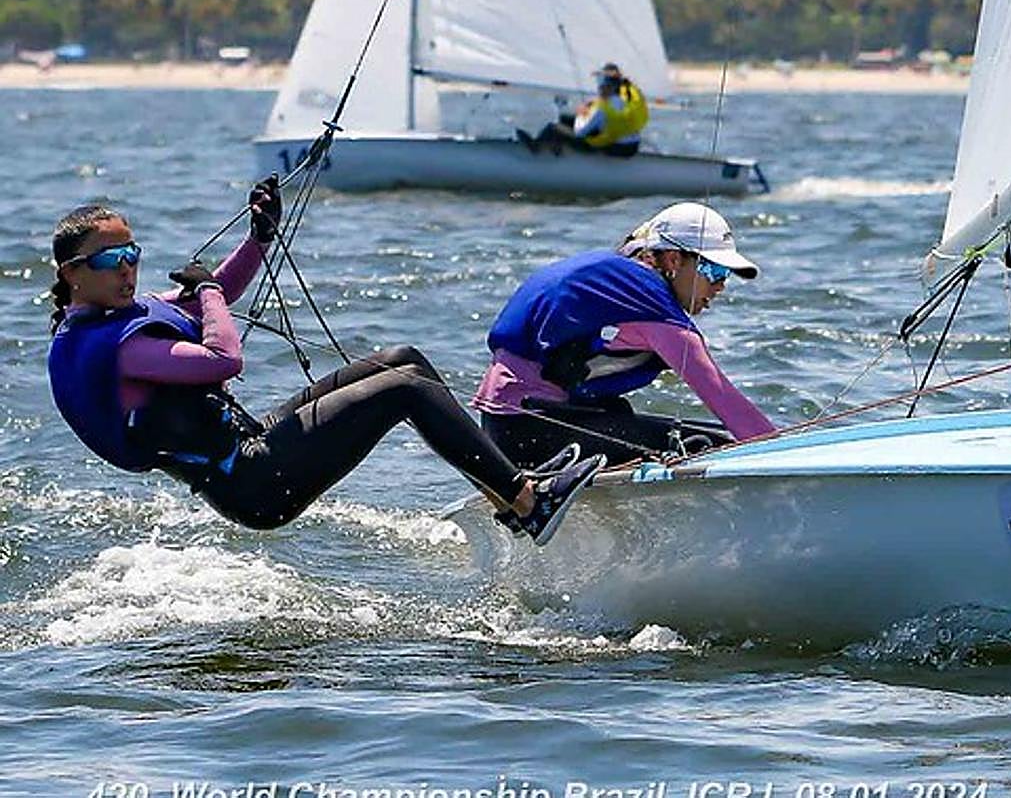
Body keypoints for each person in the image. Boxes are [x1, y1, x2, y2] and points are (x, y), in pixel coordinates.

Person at [45, 178, 604, 545]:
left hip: (254, 446)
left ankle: (507, 492)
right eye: (113, 259)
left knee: (401, 360)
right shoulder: (124, 349)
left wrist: (257, 240)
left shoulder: (116, 318)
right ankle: (531, 503)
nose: (128, 270)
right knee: (403, 389)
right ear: (73, 272)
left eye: (133, 255)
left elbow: (217, 295)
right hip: (254, 482)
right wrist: (210, 292)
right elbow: (222, 358)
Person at [472, 202, 776, 467]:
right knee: (705, 445)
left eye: (725, 277)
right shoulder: (652, 308)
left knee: (665, 428)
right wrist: (778, 452)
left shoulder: (621, 287)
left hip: (508, 429)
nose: (720, 286)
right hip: (534, 430)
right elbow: (724, 400)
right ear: (673, 260)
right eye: (714, 272)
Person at [516, 62, 648, 158]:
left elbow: (582, 132)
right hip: (630, 147)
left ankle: (536, 147)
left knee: (553, 128)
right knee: (566, 120)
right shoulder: (626, 99)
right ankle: (557, 145)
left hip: (614, 148)